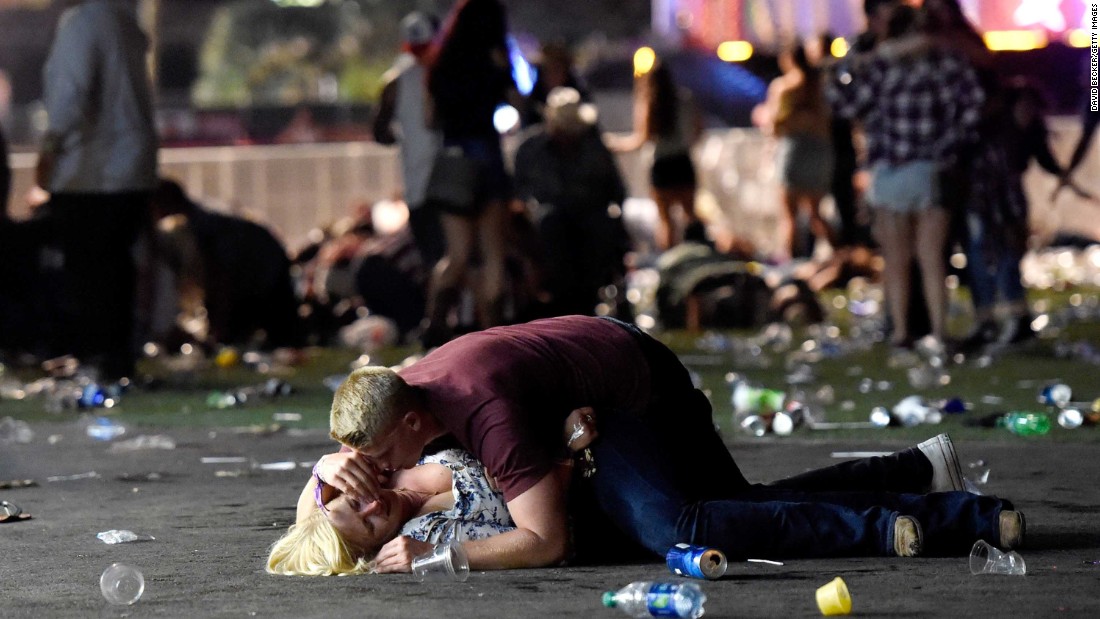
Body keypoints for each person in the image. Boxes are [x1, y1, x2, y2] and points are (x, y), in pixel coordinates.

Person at [319, 315, 1025, 571]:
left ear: (412, 424)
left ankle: (899, 524)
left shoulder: (480, 414)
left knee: (681, 526)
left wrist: (439, 559)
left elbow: (546, 540)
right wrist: (331, 465)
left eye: (376, 459)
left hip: (634, 389)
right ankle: (919, 471)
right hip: (605, 374)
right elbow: (321, 512)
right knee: (733, 505)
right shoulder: (398, 400)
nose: (372, 479)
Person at [828, 4, 984, 352]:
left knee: (895, 259)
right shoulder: (944, 62)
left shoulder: (882, 66)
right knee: (932, 257)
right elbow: (973, 103)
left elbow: (846, 105)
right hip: (930, 169)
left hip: (888, 171)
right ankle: (939, 333)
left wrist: (853, 62)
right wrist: (948, 147)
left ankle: (900, 333)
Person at [36, 0, 158, 380]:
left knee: (88, 275)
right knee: (117, 272)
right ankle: (117, 360)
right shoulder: (125, 23)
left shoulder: (82, 23)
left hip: (89, 173)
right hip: (133, 171)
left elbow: (70, 95)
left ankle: (95, 360)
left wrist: (51, 147)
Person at [420, 0, 519, 347]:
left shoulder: (443, 63)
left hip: (454, 160)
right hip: (487, 157)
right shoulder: (493, 61)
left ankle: (433, 324)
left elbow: (429, 119)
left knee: (457, 254)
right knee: (493, 252)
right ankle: (493, 335)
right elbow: (518, 105)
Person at [267, 447, 517, 576]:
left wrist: (322, 468)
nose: (374, 506)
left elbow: (308, 521)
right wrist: (436, 555)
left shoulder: (378, 466)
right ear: (378, 548)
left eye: (355, 503)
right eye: (370, 525)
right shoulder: (428, 534)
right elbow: (533, 541)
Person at [959, 80, 1066, 351]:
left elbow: (1044, 161)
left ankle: (1015, 320)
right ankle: (989, 320)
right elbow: (994, 181)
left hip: (1007, 204)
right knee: (983, 259)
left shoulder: (1027, 132)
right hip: (984, 205)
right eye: (1024, 106)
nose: (1028, 112)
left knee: (1007, 260)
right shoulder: (997, 133)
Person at [512, 87, 630, 317]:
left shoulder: (594, 148)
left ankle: (588, 295)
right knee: (550, 224)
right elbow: (518, 192)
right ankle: (553, 295)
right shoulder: (530, 149)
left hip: (590, 217)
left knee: (599, 229)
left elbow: (616, 189)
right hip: (546, 223)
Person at [151, 179, 306, 351]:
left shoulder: (201, 228)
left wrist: (217, 331)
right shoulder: (198, 221)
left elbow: (220, 280)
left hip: (263, 270)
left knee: (278, 336)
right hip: (262, 267)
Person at [371, 11, 446, 271]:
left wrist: (407, 139)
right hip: (451, 188)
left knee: (434, 263)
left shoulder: (395, 82)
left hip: (419, 189)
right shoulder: (451, 75)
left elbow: (380, 133)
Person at [609, 56, 702, 252]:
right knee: (691, 217)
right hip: (683, 161)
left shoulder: (650, 103)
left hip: (662, 165)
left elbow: (641, 140)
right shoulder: (685, 99)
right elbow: (698, 130)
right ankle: (696, 254)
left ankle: (670, 261)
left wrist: (615, 144)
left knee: (666, 222)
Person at [753, 40, 836, 262]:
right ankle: (840, 254)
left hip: (794, 151)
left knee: (789, 215)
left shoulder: (784, 87)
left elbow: (775, 125)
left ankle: (791, 264)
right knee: (817, 213)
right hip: (820, 150)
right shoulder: (820, 85)